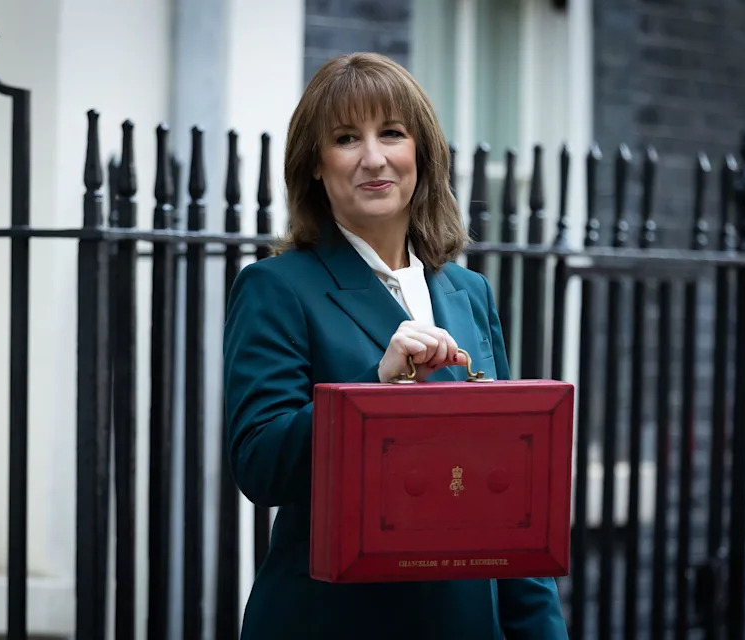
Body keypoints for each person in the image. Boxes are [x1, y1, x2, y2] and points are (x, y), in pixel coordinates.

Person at [223, 52, 568, 639]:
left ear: (421, 153)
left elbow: (512, 496)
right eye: (345, 138)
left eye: (391, 133)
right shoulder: (276, 287)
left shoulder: (468, 292)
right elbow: (259, 466)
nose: (373, 158)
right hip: (335, 621)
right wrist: (370, 387)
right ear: (314, 165)